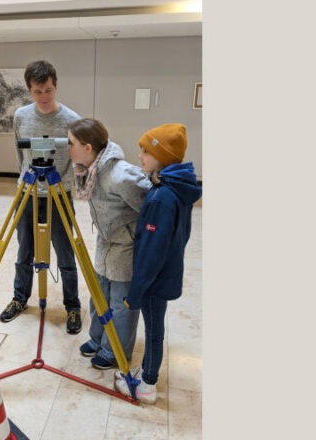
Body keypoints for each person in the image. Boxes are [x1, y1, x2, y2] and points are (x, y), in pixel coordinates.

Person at [114, 123, 202, 403]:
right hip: (166, 272)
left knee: (153, 331)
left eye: (145, 151)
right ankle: (147, 371)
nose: (139, 156)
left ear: (162, 157)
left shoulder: (162, 198)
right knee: (155, 327)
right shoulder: (175, 187)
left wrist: (137, 291)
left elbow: (151, 253)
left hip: (155, 279)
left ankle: (148, 384)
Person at [0, 60, 83, 334]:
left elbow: (75, 160)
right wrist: (25, 179)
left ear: (55, 85)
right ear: (29, 90)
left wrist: (65, 185)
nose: (44, 97)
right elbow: (18, 154)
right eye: (38, 91)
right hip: (28, 191)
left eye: (48, 90)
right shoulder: (21, 116)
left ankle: (72, 306)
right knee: (24, 250)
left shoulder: (71, 119)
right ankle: (20, 298)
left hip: (59, 194)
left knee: (65, 252)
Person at [67, 118, 152, 369]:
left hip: (125, 245)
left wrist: (136, 235)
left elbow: (152, 206)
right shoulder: (90, 170)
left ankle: (115, 350)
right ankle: (98, 338)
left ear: (88, 148)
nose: (67, 147)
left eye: (71, 143)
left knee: (121, 302)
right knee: (99, 294)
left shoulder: (120, 175)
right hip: (106, 241)